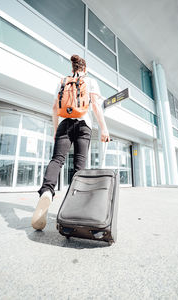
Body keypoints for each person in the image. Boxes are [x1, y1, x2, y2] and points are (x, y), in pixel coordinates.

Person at [31, 54, 110, 230]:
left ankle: (46, 192)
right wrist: (104, 128)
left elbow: (54, 109)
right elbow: (96, 106)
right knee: (79, 168)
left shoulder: (62, 82)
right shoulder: (90, 81)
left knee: (57, 160)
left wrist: (55, 131)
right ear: (85, 69)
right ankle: (72, 205)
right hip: (84, 125)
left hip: (64, 124)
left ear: (72, 69)